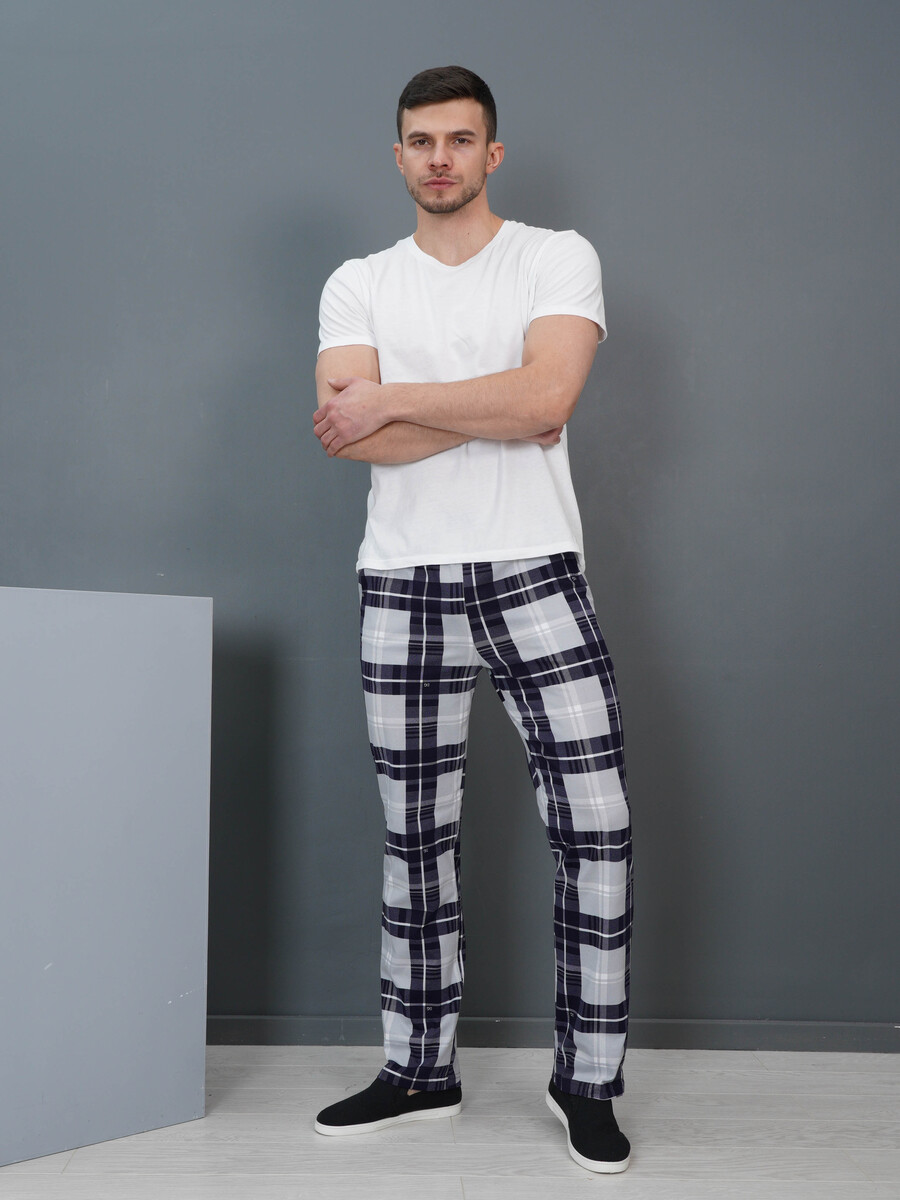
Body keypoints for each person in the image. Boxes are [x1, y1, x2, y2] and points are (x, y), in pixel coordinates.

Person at [311, 65, 633, 1174]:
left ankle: (587, 1081)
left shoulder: (554, 256)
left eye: (460, 139)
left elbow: (550, 398)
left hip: (534, 568)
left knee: (595, 828)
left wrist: (399, 397)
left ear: (492, 154)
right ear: (397, 155)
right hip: (403, 580)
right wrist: (502, 404)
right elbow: (347, 432)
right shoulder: (358, 283)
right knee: (414, 837)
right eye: (421, 140)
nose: (439, 158)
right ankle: (419, 1068)